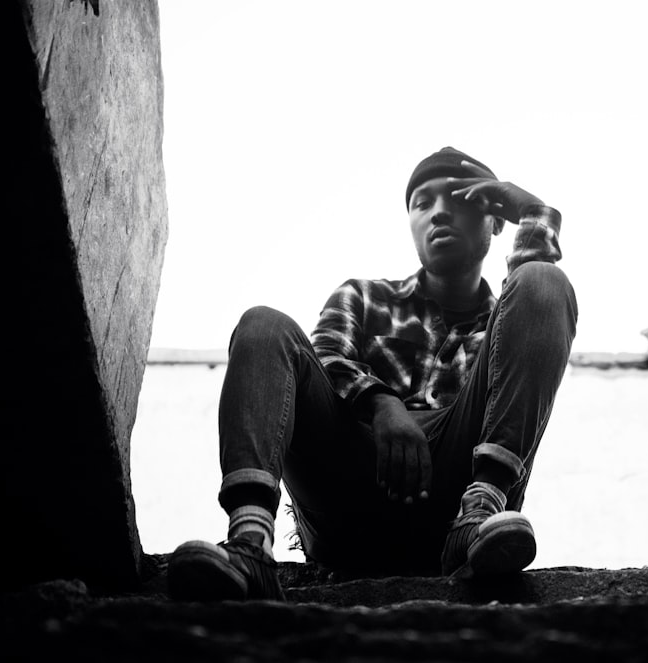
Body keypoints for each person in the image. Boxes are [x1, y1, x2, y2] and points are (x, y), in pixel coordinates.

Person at [166, 146, 578, 601]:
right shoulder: (363, 296)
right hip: (351, 493)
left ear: (496, 222)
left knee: (544, 282)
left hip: (455, 501)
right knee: (264, 325)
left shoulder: (508, 324)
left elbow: (536, 291)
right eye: (422, 203)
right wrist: (381, 404)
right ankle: (250, 545)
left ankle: (480, 514)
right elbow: (325, 356)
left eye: (461, 200)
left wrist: (534, 212)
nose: (439, 213)